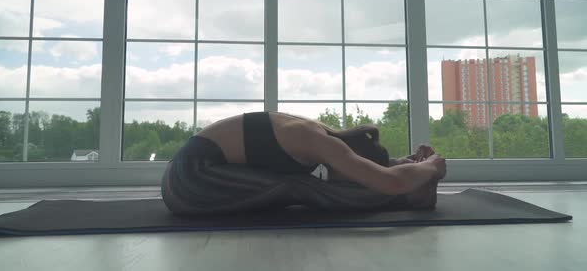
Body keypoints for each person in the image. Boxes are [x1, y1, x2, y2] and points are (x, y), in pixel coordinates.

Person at [161, 111, 446, 216]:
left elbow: (366, 169)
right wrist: (431, 166)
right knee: (298, 187)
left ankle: (412, 191)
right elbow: (389, 181)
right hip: (189, 182)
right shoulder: (316, 141)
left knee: (303, 185)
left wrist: (406, 163)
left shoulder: (321, 135)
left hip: (193, 177)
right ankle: (409, 197)